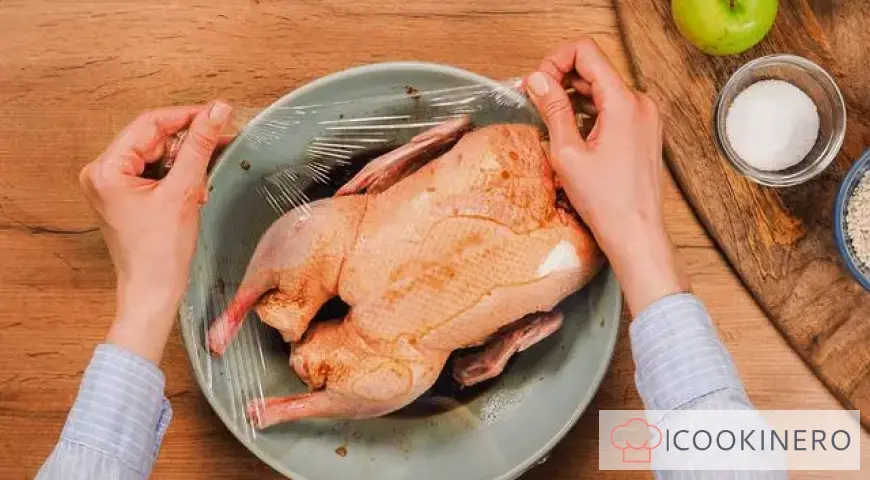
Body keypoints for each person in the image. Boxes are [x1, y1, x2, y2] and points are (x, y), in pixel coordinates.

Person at [35, 38, 776, 479]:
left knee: (334, 252)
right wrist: (641, 243)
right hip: (377, 289)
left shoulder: (538, 186)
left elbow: (521, 328)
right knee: (344, 254)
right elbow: (394, 168)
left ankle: (262, 353)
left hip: (388, 325)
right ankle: (258, 348)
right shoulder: (551, 203)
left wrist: (142, 307)